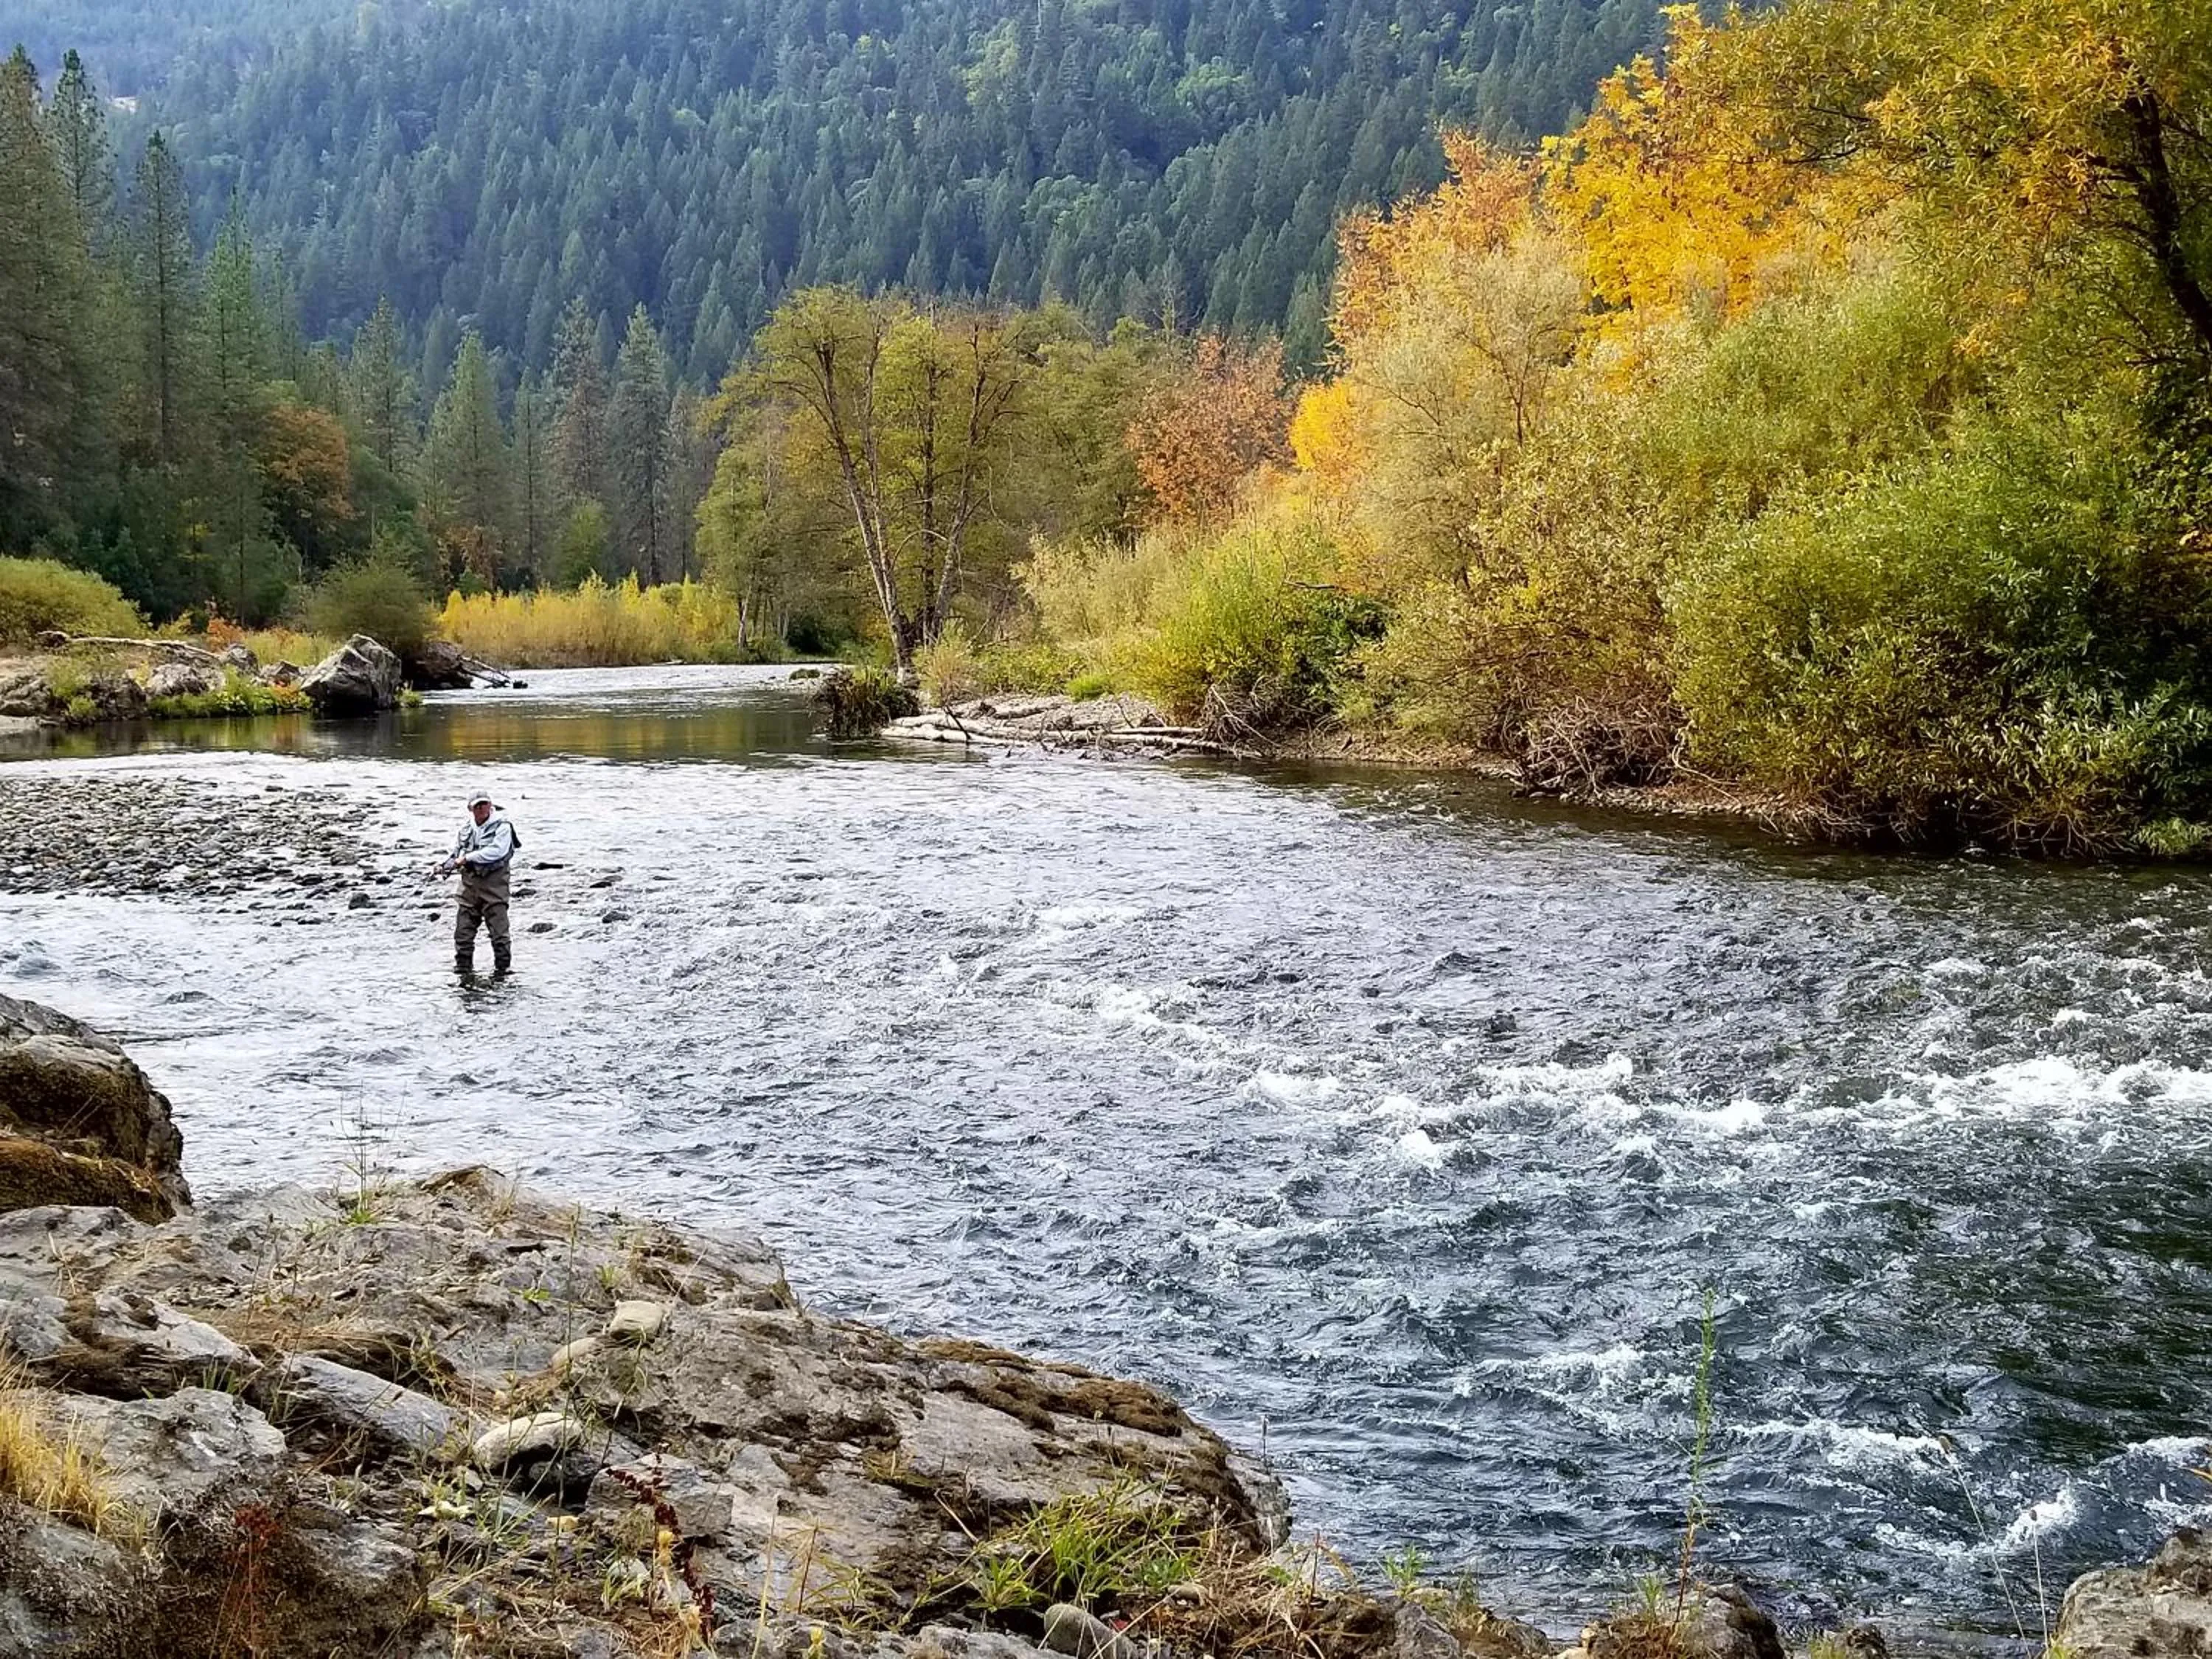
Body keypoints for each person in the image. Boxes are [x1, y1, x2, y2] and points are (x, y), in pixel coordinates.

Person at [440, 790, 519, 975]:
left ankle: (502, 976)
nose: (482, 808)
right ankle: (463, 975)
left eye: (485, 804)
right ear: (470, 809)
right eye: (477, 806)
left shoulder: (503, 827)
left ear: (490, 805)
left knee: (500, 938)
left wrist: (467, 858)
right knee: (462, 936)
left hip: (495, 890)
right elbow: (456, 854)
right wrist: (444, 865)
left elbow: (498, 851)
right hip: (469, 890)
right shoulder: (466, 830)